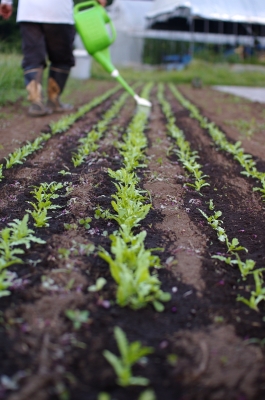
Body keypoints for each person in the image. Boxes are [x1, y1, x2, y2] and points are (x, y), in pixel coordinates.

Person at [0, 0, 106, 116]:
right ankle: (53, 100)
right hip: (58, 13)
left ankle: (36, 102)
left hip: (28, 11)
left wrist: (6, 1)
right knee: (62, 58)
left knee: (33, 56)